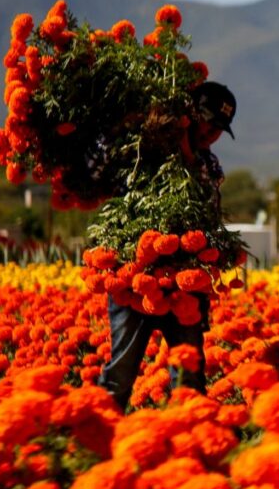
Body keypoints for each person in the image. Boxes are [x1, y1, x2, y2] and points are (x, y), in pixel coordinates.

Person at [97, 81, 237, 411]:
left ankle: (190, 443)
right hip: (135, 277)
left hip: (184, 282)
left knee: (189, 375)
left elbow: (204, 204)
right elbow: (102, 170)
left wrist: (186, 149)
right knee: (121, 371)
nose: (212, 135)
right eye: (209, 124)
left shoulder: (209, 164)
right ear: (189, 116)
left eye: (219, 129)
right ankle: (96, 439)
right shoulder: (140, 154)